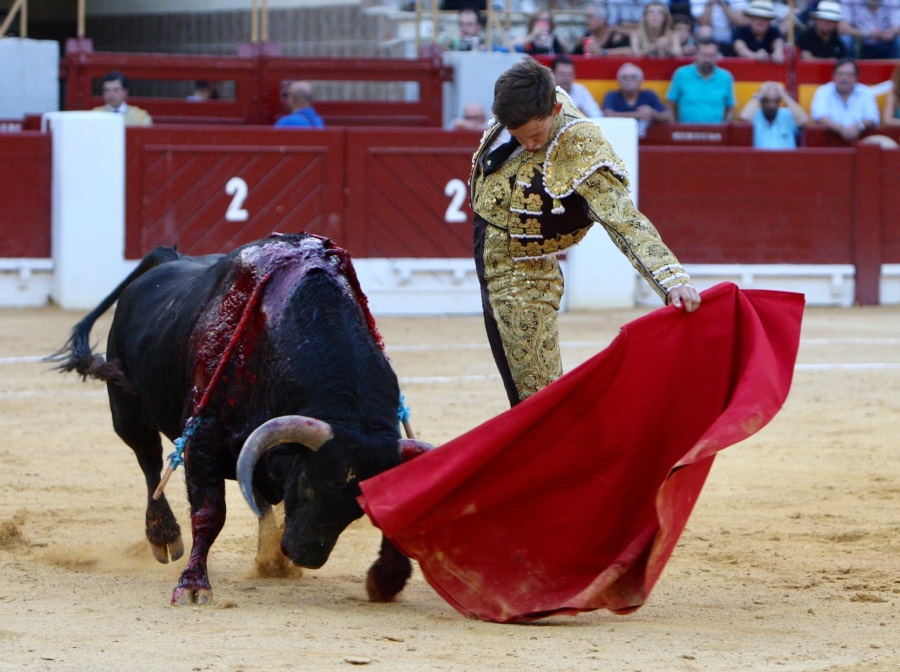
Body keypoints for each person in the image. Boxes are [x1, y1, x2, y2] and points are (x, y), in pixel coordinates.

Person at [469, 58, 700, 406]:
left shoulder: (579, 144)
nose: (530, 145)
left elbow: (622, 217)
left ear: (556, 109)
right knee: (524, 394)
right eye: (520, 137)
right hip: (491, 262)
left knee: (537, 399)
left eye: (536, 135)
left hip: (525, 276)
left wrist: (670, 278)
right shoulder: (525, 98)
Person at [666, 38, 736, 123]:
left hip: (716, 132)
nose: (707, 60)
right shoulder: (681, 74)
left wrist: (724, 130)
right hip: (686, 132)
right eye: (704, 55)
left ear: (717, 56)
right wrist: (674, 128)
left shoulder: (726, 77)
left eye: (711, 56)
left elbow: (731, 107)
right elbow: (671, 103)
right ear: (696, 54)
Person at [810, 58, 880, 140]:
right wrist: (841, 129)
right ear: (833, 76)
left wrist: (858, 127)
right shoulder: (823, 91)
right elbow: (819, 116)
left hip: (862, 140)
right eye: (840, 74)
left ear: (856, 77)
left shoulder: (866, 92)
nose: (844, 78)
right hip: (829, 142)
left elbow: (873, 117)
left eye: (849, 74)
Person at [602, 62, 673, 136]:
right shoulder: (612, 95)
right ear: (618, 81)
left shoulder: (649, 95)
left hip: (647, 141)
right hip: (618, 137)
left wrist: (653, 113)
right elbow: (608, 115)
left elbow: (667, 116)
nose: (629, 80)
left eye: (633, 77)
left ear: (640, 81)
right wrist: (638, 115)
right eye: (624, 77)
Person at [738, 81, 808, 149]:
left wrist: (784, 95)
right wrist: (760, 94)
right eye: (767, 101)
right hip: (760, 159)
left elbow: (804, 120)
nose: (771, 105)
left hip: (787, 159)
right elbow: (744, 117)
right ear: (761, 101)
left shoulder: (787, 114)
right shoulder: (755, 114)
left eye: (776, 101)